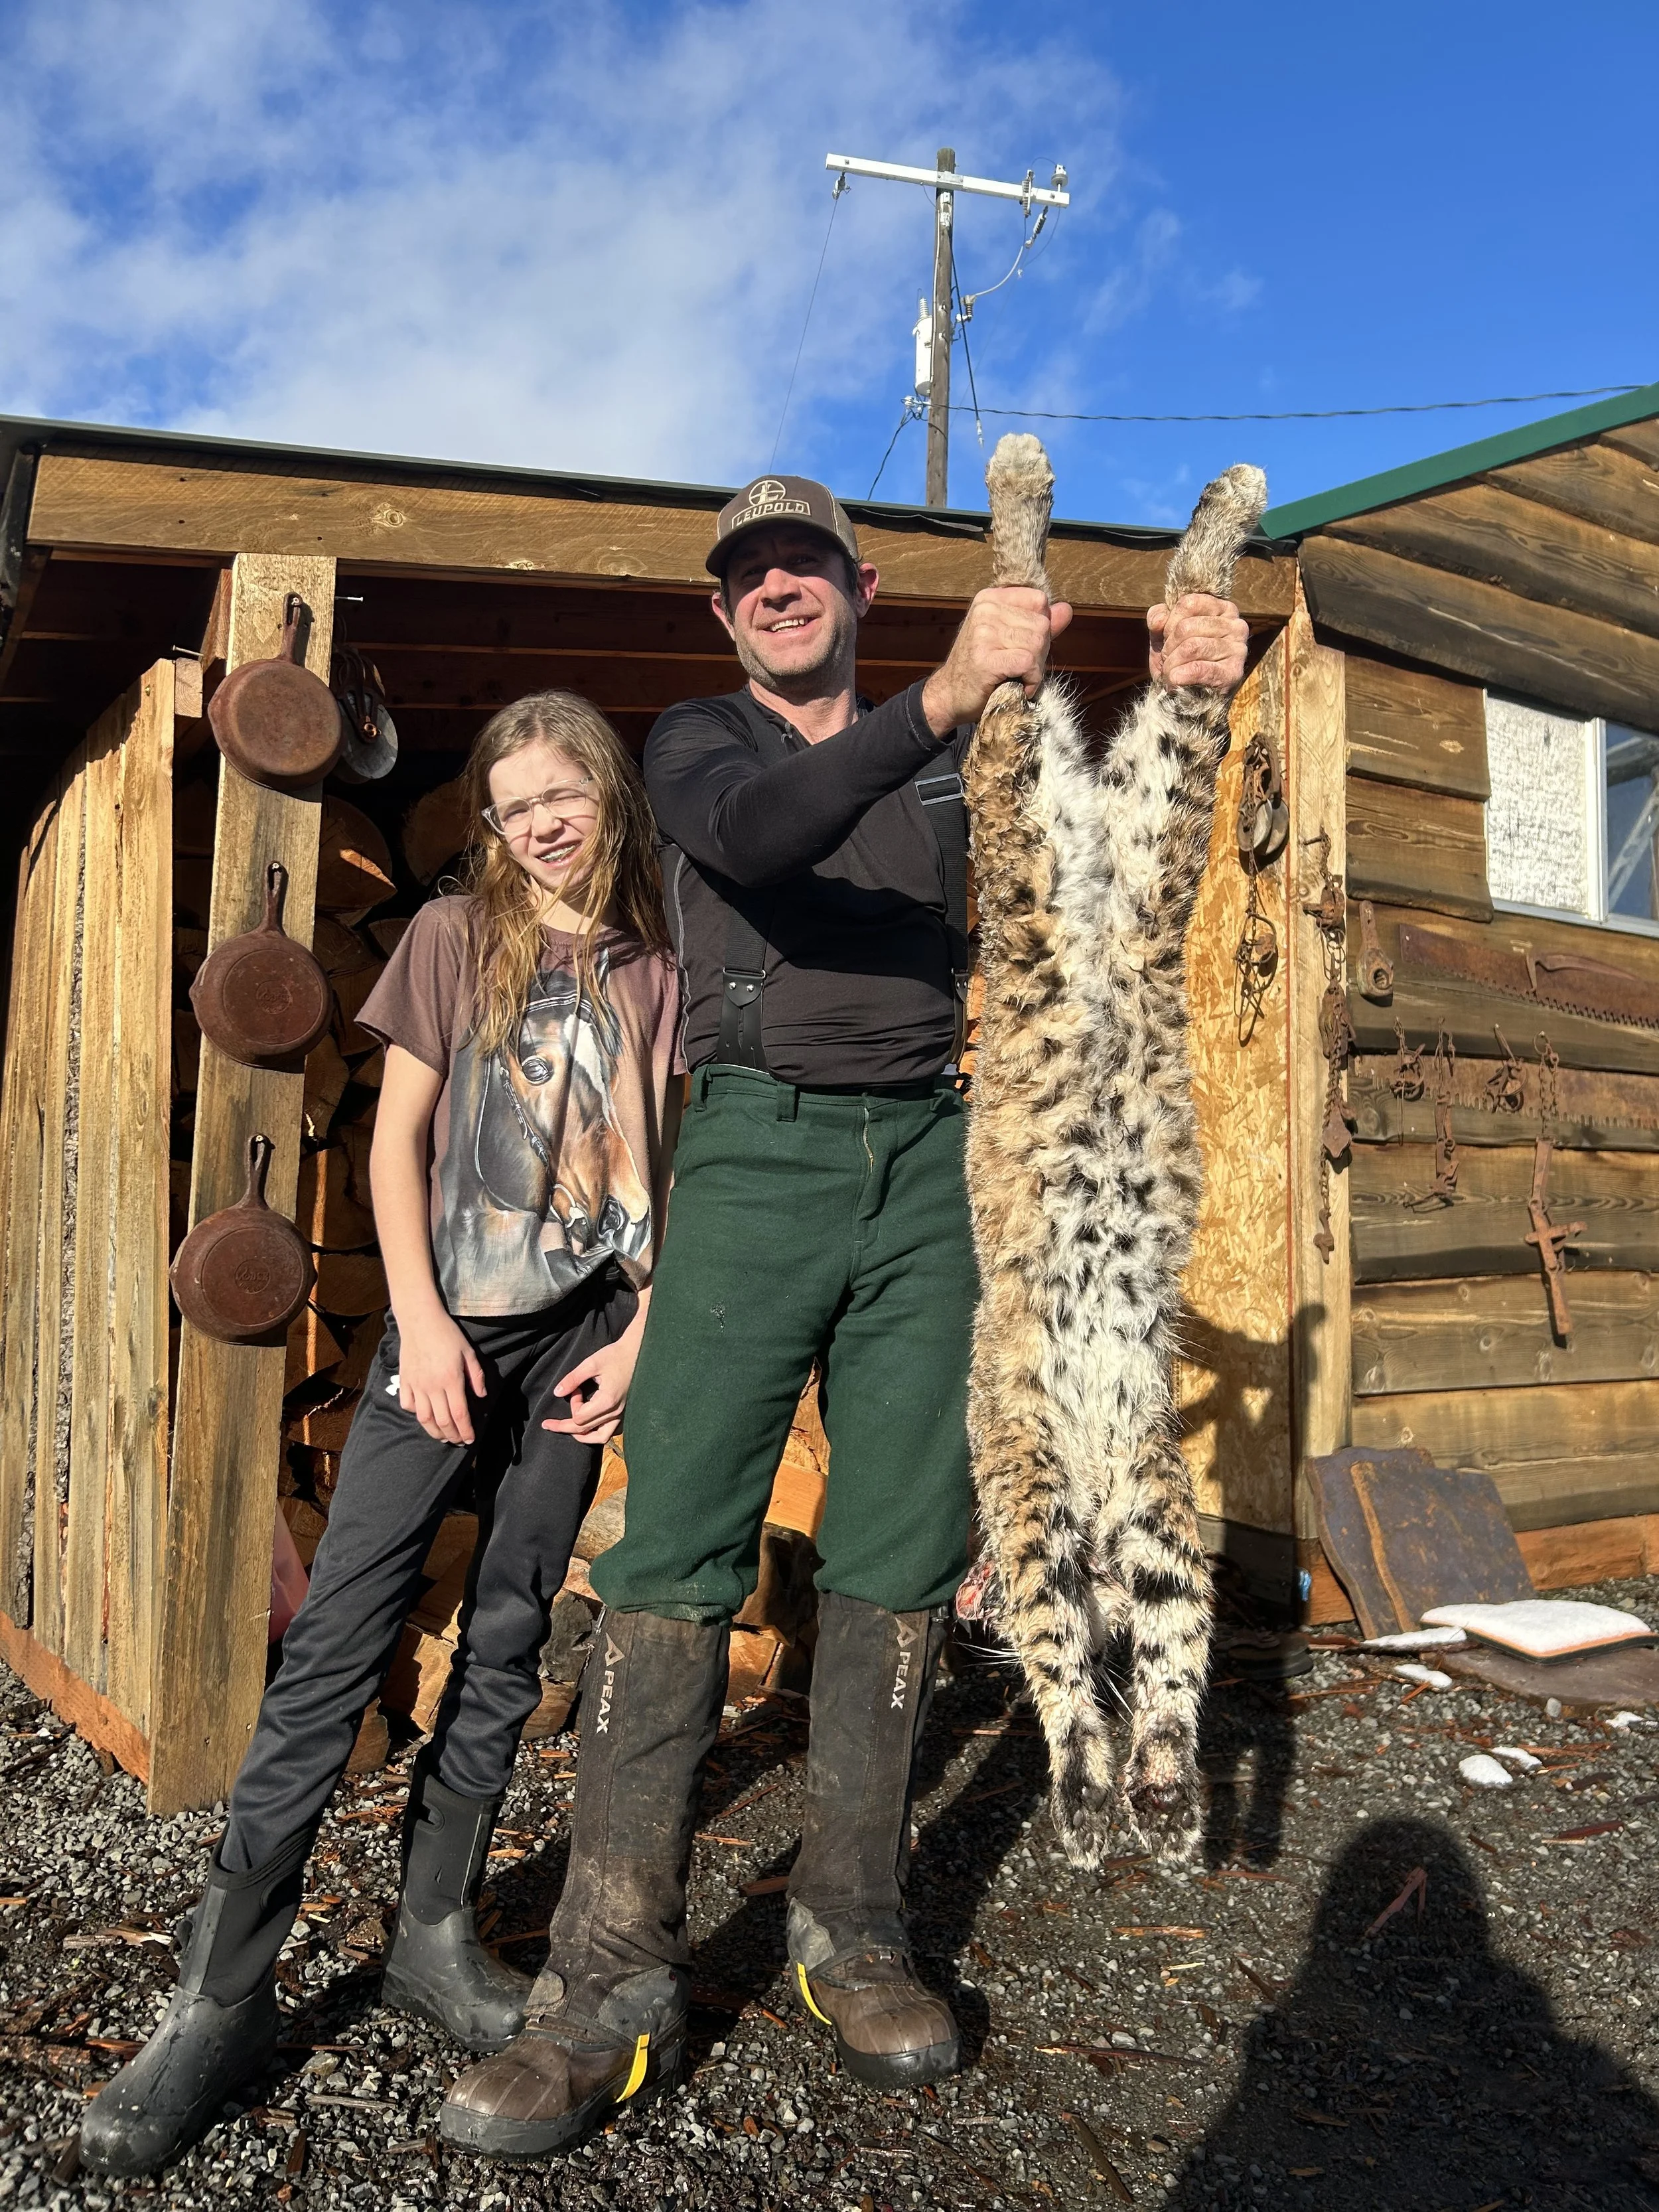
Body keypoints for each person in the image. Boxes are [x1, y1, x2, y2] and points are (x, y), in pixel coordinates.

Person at [442, 474, 1250, 2157]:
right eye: (749, 578)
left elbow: (1106, 875)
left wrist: (1195, 690)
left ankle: (851, 1924)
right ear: (721, 612)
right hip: (753, 1150)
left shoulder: (973, 759)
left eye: (804, 565)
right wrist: (950, 694)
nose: (777, 590)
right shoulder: (692, 747)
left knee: (898, 1532)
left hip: (943, 1162)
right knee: (673, 1542)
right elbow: (760, 840)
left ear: (860, 582)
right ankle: (603, 1983)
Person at [82, 692, 685, 2177]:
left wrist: (644, 1332)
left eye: (566, 793)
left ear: (607, 795)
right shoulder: (444, 939)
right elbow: (392, 1134)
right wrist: (412, 1319)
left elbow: (671, 1160)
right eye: (514, 801)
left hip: (583, 1331)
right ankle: (219, 1994)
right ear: (486, 819)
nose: (543, 821)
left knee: (510, 1626)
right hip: (449, 1327)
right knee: (342, 1636)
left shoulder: (659, 964)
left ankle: (431, 1929)